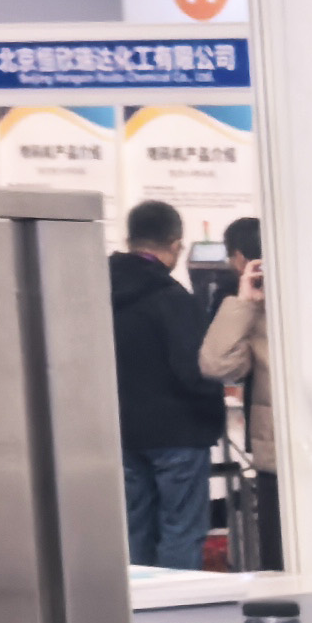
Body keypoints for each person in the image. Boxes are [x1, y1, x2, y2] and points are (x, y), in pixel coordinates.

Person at [108, 198, 224, 569]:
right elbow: (194, 369)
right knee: (181, 530)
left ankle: (138, 602)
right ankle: (177, 603)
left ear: (129, 240)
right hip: (179, 433)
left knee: (134, 529)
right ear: (175, 245)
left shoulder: (97, 294)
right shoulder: (173, 299)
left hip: (122, 431)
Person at [197, 214, 277, 541]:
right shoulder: (251, 309)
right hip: (275, 459)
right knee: (278, 558)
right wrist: (245, 303)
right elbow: (216, 364)